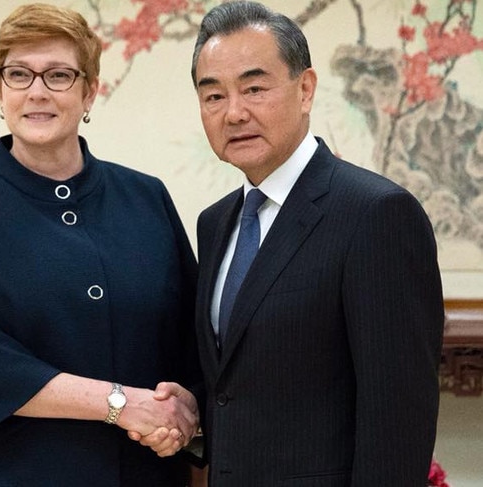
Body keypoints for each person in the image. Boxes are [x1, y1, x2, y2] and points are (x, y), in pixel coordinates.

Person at [0, 4, 204, 486]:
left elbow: (192, 336)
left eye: (59, 75)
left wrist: (187, 402)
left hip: (134, 474)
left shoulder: (146, 198)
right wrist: (121, 405)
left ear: (90, 91)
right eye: (18, 74)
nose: (37, 91)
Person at [190, 2, 445, 485]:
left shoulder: (376, 214)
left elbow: (398, 418)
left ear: (305, 89)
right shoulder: (215, 223)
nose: (234, 112)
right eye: (213, 96)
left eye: (254, 88)